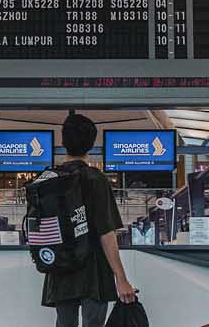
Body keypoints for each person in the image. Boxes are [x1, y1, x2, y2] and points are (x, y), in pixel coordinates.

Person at [40, 112, 136, 327]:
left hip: (61, 267)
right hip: (94, 271)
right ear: (92, 144)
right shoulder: (96, 179)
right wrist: (121, 278)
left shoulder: (49, 179)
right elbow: (106, 233)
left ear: (62, 141)